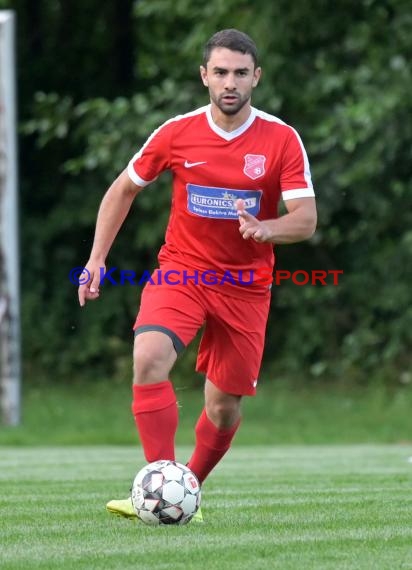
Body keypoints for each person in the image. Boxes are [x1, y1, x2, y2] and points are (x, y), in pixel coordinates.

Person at [78, 28, 317, 523]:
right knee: (148, 358)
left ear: (257, 77)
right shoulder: (176, 131)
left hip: (246, 287)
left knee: (224, 406)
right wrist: (97, 258)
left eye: (241, 73)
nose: (231, 82)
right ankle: (160, 484)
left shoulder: (280, 138)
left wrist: (266, 228)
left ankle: (188, 491)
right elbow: (123, 189)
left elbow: (305, 220)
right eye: (221, 72)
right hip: (182, 272)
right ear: (204, 76)